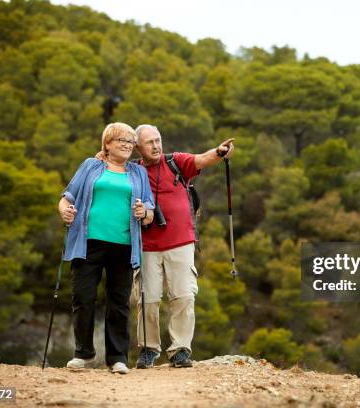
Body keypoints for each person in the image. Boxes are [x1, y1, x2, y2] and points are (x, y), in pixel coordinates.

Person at [123, 124, 233, 369]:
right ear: (137, 147)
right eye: (149, 142)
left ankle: (181, 350)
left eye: (158, 140)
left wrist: (220, 151)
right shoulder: (131, 171)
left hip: (181, 242)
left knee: (183, 296)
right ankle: (149, 349)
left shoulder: (175, 162)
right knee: (147, 299)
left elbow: (202, 159)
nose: (155, 145)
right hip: (147, 245)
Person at [58, 122, 155, 374]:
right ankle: (83, 353)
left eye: (130, 141)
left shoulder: (138, 173)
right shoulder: (91, 166)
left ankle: (117, 358)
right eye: (120, 140)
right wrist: (65, 213)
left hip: (123, 245)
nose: (126, 144)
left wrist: (144, 211)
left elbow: (150, 212)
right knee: (83, 297)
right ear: (107, 144)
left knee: (118, 302)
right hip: (87, 242)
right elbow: (67, 197)